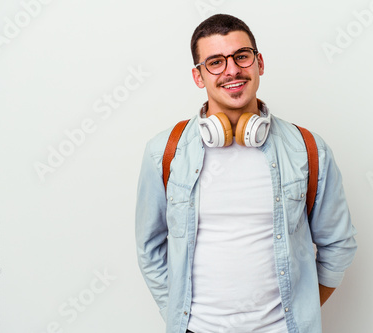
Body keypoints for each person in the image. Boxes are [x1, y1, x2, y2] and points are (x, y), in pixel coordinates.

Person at [135, 14, 357, 333]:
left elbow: (339, 244)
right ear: (199, 77)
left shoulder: (309, 149)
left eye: (241, 56)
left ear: (259, 63)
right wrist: (176, 312)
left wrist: (302, 308)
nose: (232, 70)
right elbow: (149, 246)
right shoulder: (163, 152)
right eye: (215, 62)